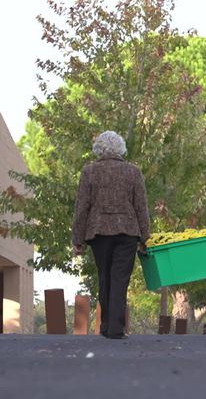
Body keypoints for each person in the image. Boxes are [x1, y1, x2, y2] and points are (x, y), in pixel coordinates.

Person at [72, 130, 150, 339]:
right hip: (127, 231)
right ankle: (115, 327)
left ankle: (106, 325)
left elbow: (82, 207)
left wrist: (77, 239)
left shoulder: (89, 172)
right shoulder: (133, 172)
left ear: (99, 149)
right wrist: (145, 236)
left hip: (99, 232)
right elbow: (141, 206)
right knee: (120, 279)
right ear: (120, 148)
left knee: (104, 277)